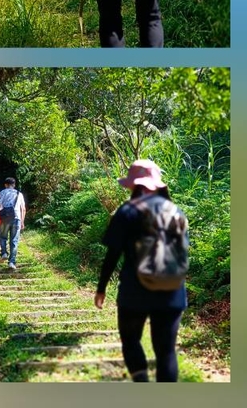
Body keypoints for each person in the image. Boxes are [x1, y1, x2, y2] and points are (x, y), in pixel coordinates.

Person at [94, 159, 188, 382]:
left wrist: (101, 289)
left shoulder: (127, 211)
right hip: (172, 291)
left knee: (131, 341)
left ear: (134, 185)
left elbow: (112, 255)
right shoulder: (176, 211)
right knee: (166, 352)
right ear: (157, 185)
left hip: (135, 292)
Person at [0, 177, 26, 269]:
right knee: (14, 241)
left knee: (3, 237)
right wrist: (22, 222)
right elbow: (23, 209)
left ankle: (4, 253)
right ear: (14, 185)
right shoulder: (19, 194)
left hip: (5, 218)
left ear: (5, 185)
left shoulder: (2, 192)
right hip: (16, 219)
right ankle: (11, 262)